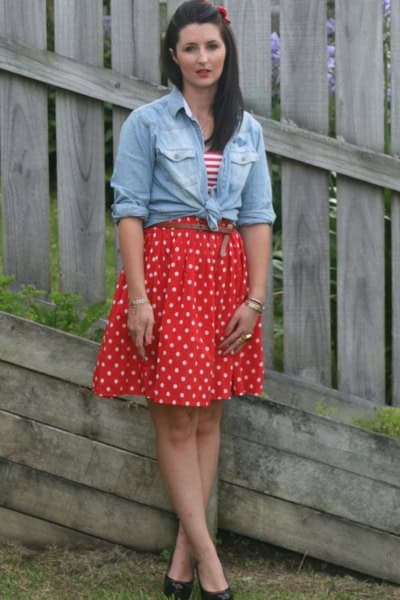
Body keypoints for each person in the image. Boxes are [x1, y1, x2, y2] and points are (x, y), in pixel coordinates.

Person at [92, 1, 275, 598]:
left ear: (227, 51)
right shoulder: (148, 122)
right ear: (174, 55)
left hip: (223, 284)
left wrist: (255, 300)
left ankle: (180, 563)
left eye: (212, 46)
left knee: (207, 416)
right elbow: (128, 211)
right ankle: (209, 561)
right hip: (168, 280)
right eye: (191, 48)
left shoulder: (247, 128)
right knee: (174, 421)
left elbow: (257, 218)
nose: (203, 58)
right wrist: (140, 299)